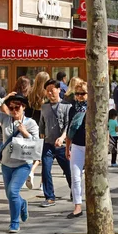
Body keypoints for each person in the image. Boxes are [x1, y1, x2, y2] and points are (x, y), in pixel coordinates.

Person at [0, 92, 39, 233]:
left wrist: (25, 132)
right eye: (11, 107)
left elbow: (37, 144)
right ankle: (22, 204)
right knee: (10, 195)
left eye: (17, 107)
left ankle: (14, 223)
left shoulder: (31, 123)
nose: (14, 110)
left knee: (13, 192)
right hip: (7, 164)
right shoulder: (5, 119)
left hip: (23, 164)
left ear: (24, 107)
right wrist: (4, 98)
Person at [40, 79, 72, 207]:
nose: (50, 93)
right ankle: (49, 197)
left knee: (68, 170)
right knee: (46, 169)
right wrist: (41, 133)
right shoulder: (44, 107)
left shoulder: (67, 106)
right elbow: (42, 124)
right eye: (47, 91)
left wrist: (62, 137)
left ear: (59, 90)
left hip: (62, 146)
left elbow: (68, 125)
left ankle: (75, 191)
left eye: (52, 90)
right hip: (48, 143)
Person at [65, 81, 88, 218]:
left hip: (92, 147)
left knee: (93, 177)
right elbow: (70, 129)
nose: (79, 96)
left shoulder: (94, 108)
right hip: (77, 146)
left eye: (82, 94)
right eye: (77, 94)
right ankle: (77, 206)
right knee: (75, 177)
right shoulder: (73, 109)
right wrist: (67, 147)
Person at [25, 71, 49, 189]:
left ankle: (30, 171)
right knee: (44, 156)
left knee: (32, 153)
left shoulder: (30, 94)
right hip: (44, 127)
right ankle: (41, 181)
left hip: (31, 126)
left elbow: (26, 112)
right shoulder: (47, 95)